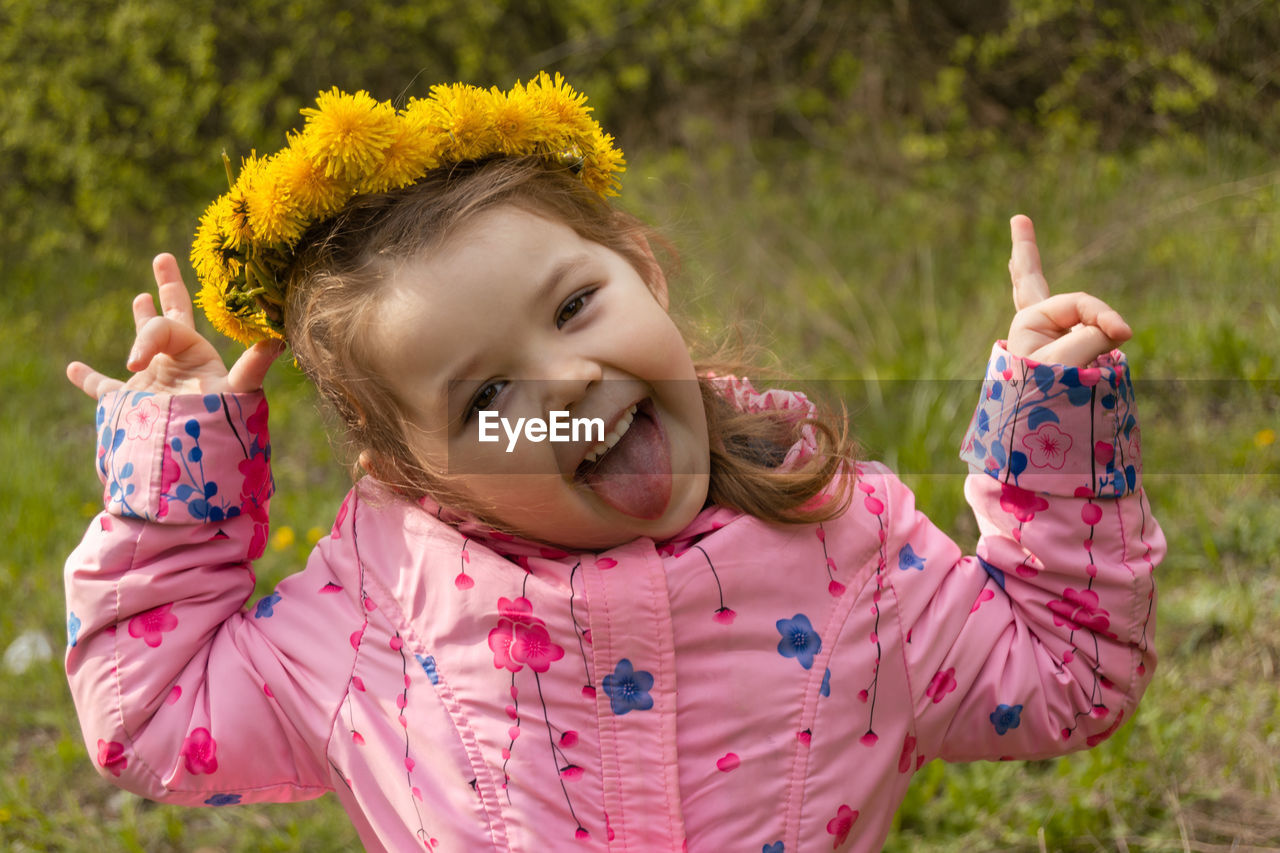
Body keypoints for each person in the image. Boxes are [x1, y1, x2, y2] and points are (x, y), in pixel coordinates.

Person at [63, 73, 1163, 851]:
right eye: (489, 395)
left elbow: (1068, 675)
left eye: (576, 305)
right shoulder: (377, 617)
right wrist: (172, 476)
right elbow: (150, 719)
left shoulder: (847, 554)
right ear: (412, 467)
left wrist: (1052, 429)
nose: (570, 380)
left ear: (640, 267)